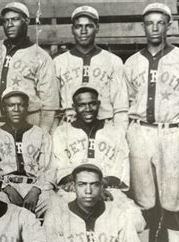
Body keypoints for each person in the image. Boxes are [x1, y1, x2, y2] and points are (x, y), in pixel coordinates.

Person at [124, 2, 179, 242]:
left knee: (174, 197)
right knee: (143, 197)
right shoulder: (132, 62)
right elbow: (125, 100)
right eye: (149, 23)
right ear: (143, 27)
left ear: (168, 25)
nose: (154, 28)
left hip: (173, 130)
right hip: (140, 130)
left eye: (159, 23)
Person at [51, 86, 144, 232]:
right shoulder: (61, 132)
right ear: (74, 107)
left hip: (108, 189)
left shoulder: (115, 131)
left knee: (136, 219)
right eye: (82, 105)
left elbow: (120, 167)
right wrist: (86, 187)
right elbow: (60, 166)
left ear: (99, 104)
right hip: (73, 190)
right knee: (63, 221)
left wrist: (99, 187)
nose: (88, 108)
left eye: (92, 103)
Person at [0, 2, 59, 132]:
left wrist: (43, 134)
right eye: (6, 20)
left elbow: (49, 104)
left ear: (26, 21)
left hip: (29, 122)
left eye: (15, 19)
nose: (9, 24)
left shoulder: (40, 55)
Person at [53, 6, 128, 129]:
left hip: (104, 125)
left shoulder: (113, 61)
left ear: (97, 28)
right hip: (69, 126)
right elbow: (53, 107)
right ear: (72, 29)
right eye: (78, 26)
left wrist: (119, 134)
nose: (83, 31)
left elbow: (120, 108)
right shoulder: (59, 62)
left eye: (89, 26)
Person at [0, 87, 53, 216]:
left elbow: (49, 168)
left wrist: (35, 191)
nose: (16, 109)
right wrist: (6, 188)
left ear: (27, 108)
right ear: (4, 108)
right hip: (5, 187)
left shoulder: (41, 134)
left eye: (21, 105)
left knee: (54, 203)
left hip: (35, 186)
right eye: (11, 105)